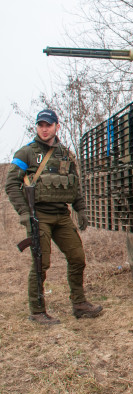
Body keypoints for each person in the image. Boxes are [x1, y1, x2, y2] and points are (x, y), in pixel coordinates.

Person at [5, 109, 103, 325]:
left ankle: (79, 304)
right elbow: (11, 184)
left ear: (57, 127)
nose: (44, 129)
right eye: (40, 125)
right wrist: (24, 212)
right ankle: (37, 311)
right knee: (41, 263)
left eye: (48, 125)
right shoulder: (26, 153)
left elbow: (74, 185)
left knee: (77, 258)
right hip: (39, 216)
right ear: (37, 127)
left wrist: (81, 209)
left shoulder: (66, 154)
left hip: (61, 215)